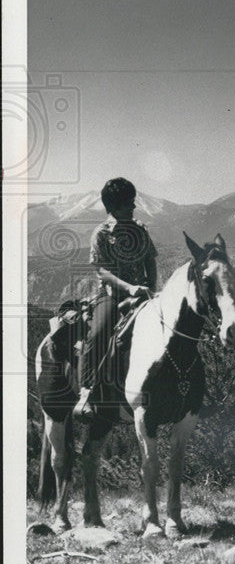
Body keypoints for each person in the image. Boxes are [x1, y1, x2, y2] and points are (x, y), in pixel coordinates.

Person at [75, 178, 158, 422]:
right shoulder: (101, 233)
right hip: (112, 294)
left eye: (133, 203)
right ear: (114, 207)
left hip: (143, 292)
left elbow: (150, 260)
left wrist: (150, 287)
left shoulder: (140, 228)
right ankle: (87, 391)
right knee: (99, 333)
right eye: (128, 204)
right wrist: (129, 288)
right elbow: (102, 271)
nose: (133, 208)